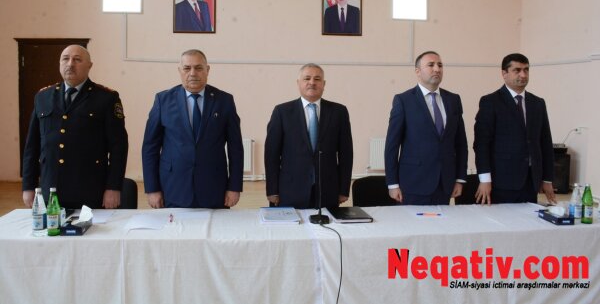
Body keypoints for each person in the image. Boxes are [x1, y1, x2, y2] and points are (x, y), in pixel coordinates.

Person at [22, 45, 128, 209]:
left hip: (90, 190)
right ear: (59, 63)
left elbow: (118, 147)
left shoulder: (106, 98)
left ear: (89, 66)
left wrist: (113, 187)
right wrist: (28, 186)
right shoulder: (43, 96)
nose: (70, 64)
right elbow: (32, 147)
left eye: (77, 60)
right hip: (51, 190)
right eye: (65, 59)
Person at [142, 49, 243, 208]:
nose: (193, 73)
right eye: (187, 68)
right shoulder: (163, 100)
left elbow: (235, 148)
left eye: (198, 68)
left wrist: (234, 187)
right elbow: (150, 147)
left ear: (207, 70)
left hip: (214, 188)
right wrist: (152, 189)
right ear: (180, 71)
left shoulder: (224, 101)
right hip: (173, 188)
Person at [265, 63, 353, 209]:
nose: (312, 82)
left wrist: (343, 189)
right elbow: (271, 155)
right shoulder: (282, 112)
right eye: (307, 78)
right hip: (290, 190)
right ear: (298, 83)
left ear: (324, 84)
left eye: (317, 79)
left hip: (328, 190)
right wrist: (272, 190)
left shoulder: (339, 112)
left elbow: (346, 154)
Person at [384, 51, 468, 205]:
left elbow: (461, 143)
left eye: (440, 65)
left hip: (445, 184)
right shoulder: (404, 100)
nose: (437, 69)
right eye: (431, 65)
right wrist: (393, 184)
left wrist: (460, 179)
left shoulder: (453, 100)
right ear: (418, 71)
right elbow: (392, 145)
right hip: (413, 183)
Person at [473, 53, 556, 205]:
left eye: (526, 70)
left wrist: (547, 179)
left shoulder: (538, 103)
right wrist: (484, 179)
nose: (523, 75)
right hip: (501, 181)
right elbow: (481, 144)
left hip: (531, 181)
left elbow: (545, 142)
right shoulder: (490, 102)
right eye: (517, 70)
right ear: (504, 73)